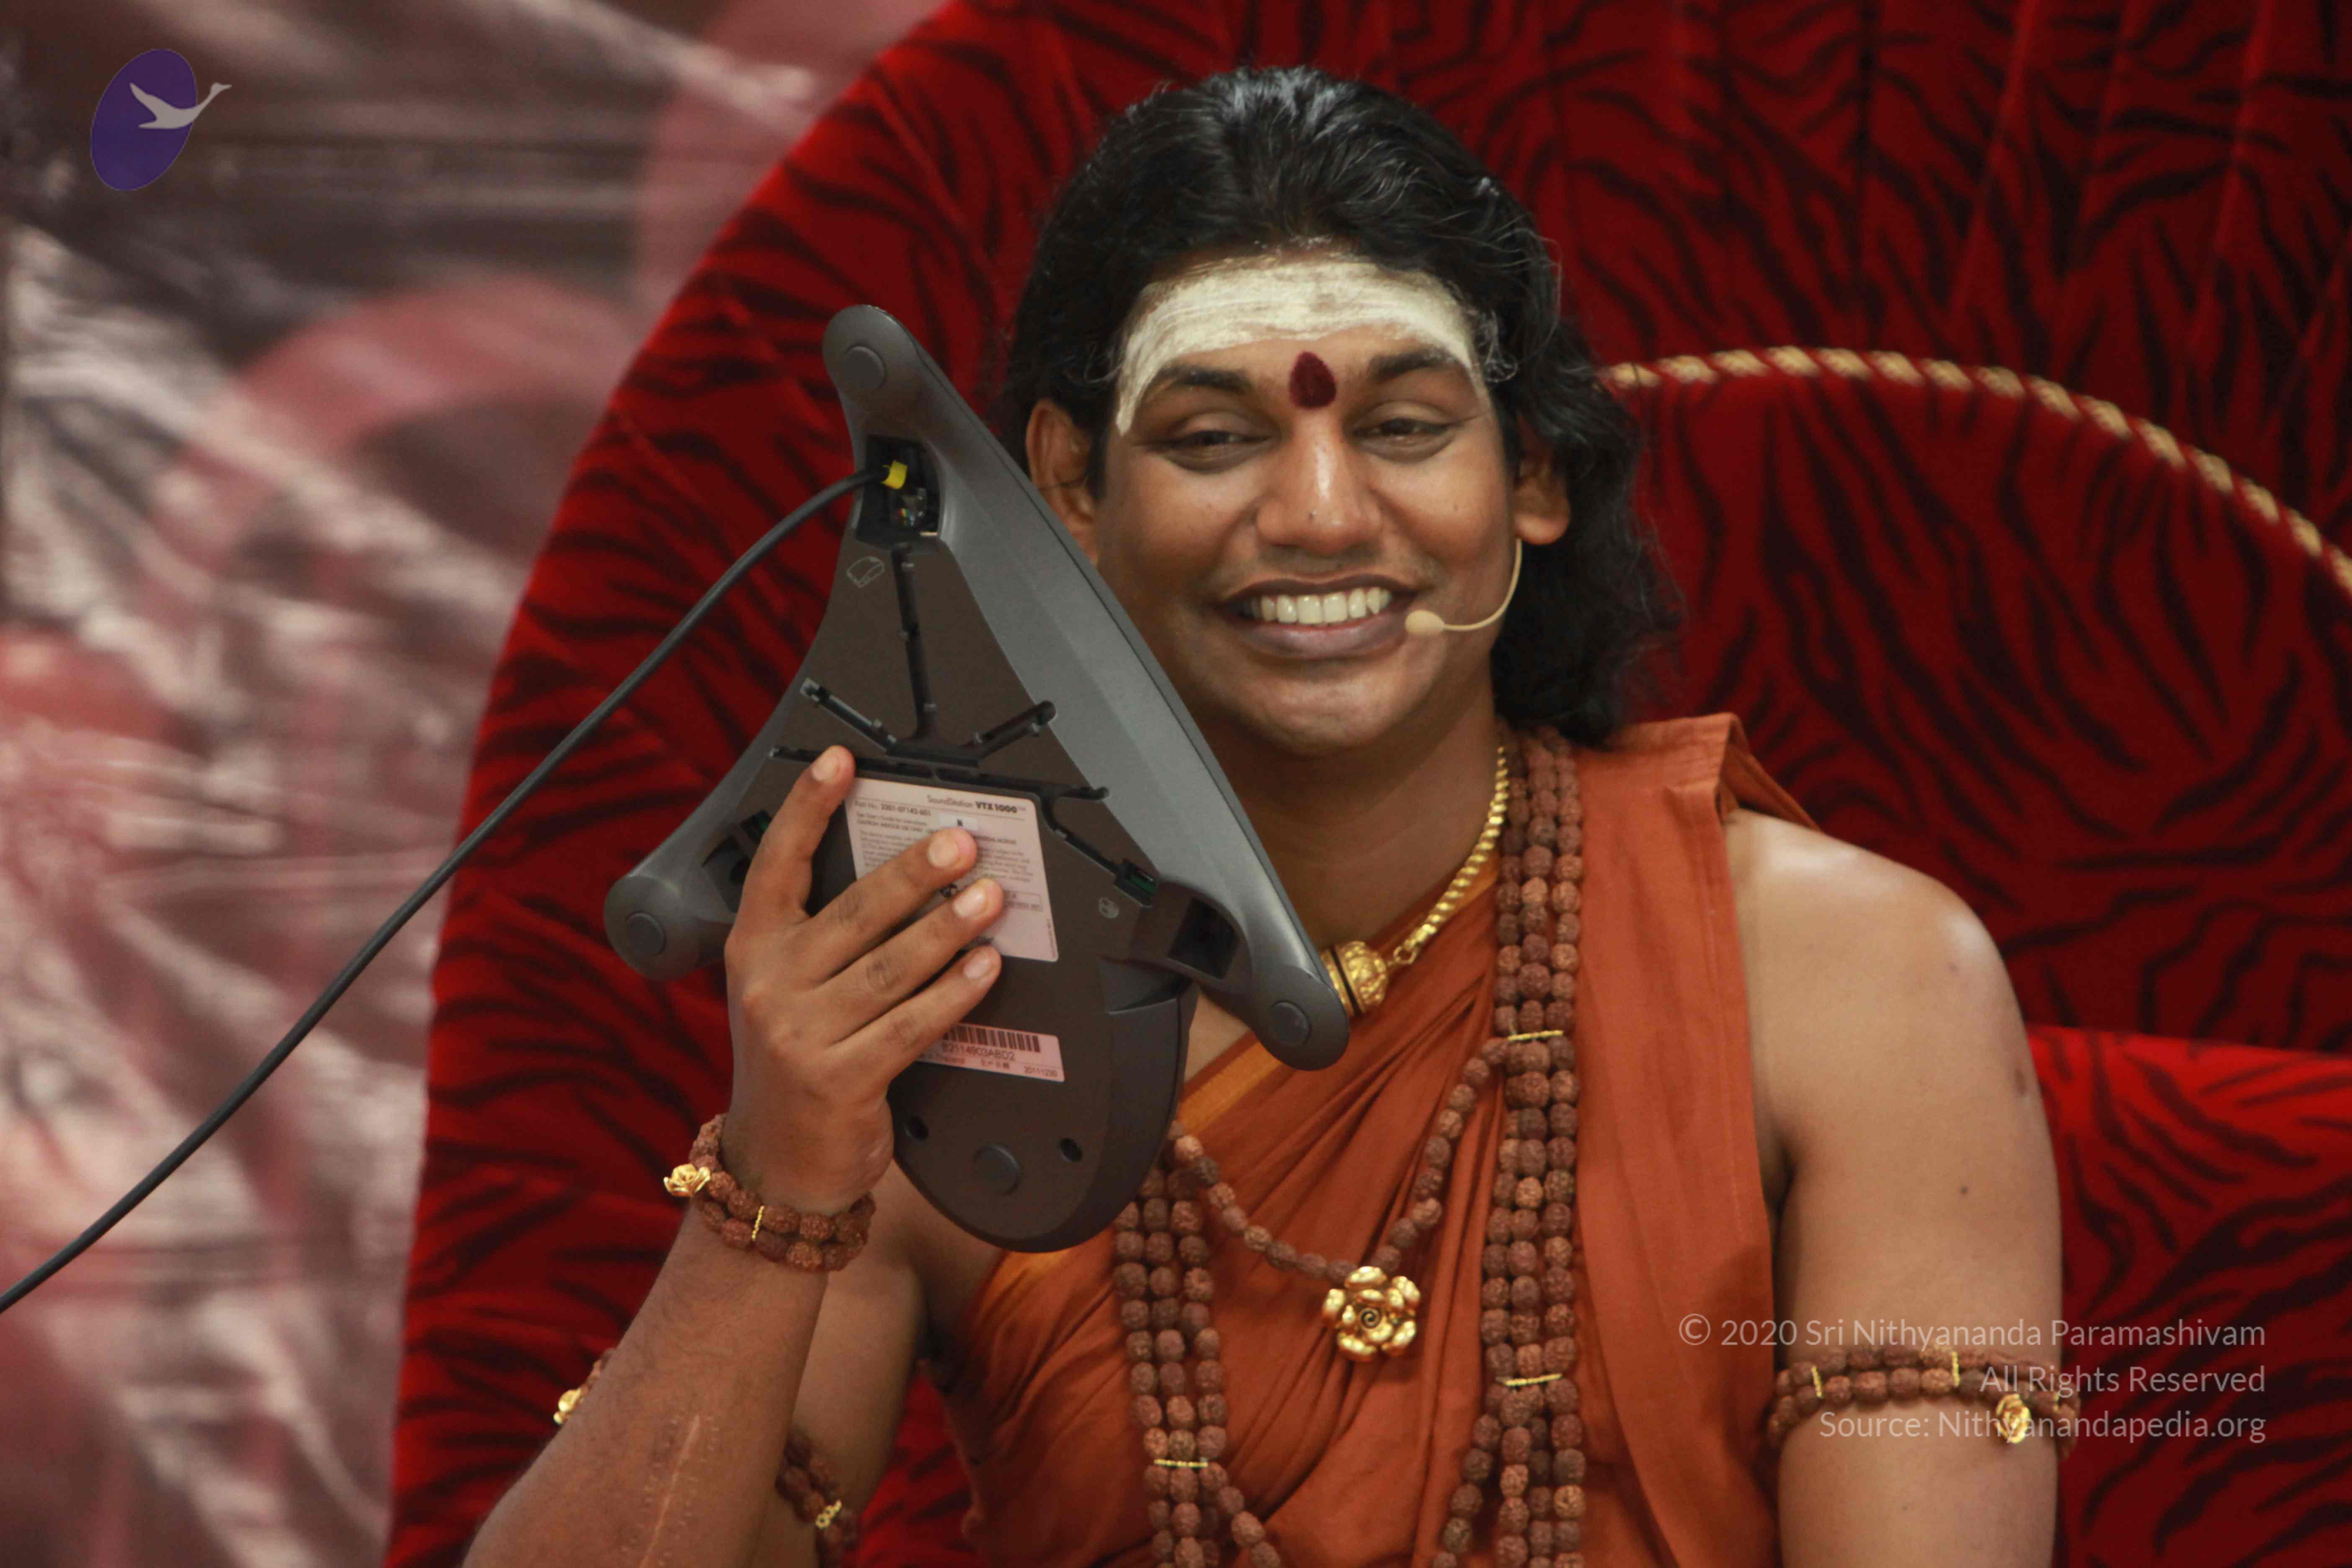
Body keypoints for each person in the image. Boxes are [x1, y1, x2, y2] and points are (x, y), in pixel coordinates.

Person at [455, 67, 2065, 1567]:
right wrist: (779, 1184)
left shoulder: (1857, 979)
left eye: (1405, 426)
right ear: (1071, 491)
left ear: (1532, 476)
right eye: (1215, 438)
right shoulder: (957, 993)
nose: (1318, 514)